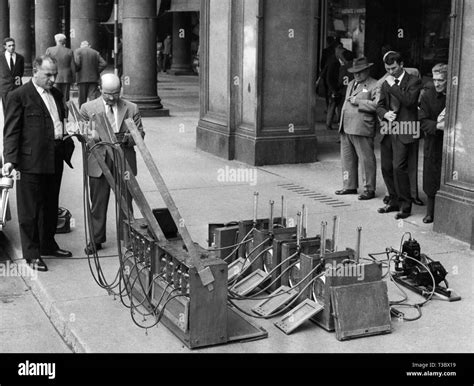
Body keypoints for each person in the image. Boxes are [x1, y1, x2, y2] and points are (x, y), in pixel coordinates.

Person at [2, 55, 75, 271]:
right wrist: (10, 161)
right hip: (30, 162)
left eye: (55, 74)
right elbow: (11, 132)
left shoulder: (57, 94)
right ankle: (32, 254)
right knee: (30, 210)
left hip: (54, 158)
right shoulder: (19, 96)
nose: (53, 79)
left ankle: (48, 245)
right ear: (35, 71)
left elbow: (60, 122)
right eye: (48, 75)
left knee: (50, 205)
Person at [80, 73, 145, 255]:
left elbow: (140, 135)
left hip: (123, 157)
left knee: (126, 200)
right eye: (107, 93)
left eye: (115, 93)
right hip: (99, 159)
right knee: (98, 202)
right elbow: (83, 136)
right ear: (100, 89)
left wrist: (126, 138)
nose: (111, 98)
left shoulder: (131, 108)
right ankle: (96, 239)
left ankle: (128, 238)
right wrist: (91, 137)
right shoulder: (87, 108)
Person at [376, 51, 422, 220]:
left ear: (401, 64)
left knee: (399, 167)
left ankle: (405, 204)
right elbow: (379, 105)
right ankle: (393, 199)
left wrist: (393, 86)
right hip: (389, 129)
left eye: (393, 68)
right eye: (387, 68)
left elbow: (409, 101)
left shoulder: (413, 80)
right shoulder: (386, 82)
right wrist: (384, 114)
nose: (390, 72)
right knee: (386, 167)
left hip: (405, 128)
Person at [335, 57, 378, 201]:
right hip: (346, 126)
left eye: (360, 72)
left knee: (366, 160)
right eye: (354, 72)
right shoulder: (351, 83)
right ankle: (349, 185)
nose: (357, 75)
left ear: (367, 70)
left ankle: (369, 189)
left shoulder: (375, 85)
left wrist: (359, 101)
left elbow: (377, 105)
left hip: (361, 127)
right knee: (347, 159)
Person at [419, 63, 448, 224]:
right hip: (433, 141)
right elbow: (422, 120)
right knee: (431, 176)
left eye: (441, 80)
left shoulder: (454, 95)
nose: (437, 83)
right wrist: (437, 126)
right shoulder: (427, 96)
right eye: (435, 79)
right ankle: (430, 211)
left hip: (451, 144)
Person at [74, 41, 107, 107]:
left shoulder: (77, 51)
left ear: (81, 45)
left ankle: (83, 114)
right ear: (89, 46)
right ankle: (93, 114)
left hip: (81, 79)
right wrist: (96, 71)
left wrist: (75, 71)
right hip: (93, 79)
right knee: (93, 98)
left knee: (82, 99)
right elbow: (104, 63)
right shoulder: (95, 52)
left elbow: (77, 64)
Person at [45, 33, 75, 101]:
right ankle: (64, 111)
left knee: (54, 97)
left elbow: (46, 64)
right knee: (65, 98)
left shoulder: (49, 50)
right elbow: (73, 66)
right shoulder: (69, 51)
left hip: (53, 77)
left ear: (56, 40)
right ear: (64, 41)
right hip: (66, 77)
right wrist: (73, 80)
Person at [0, 38, 24, 109]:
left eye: (13, 45)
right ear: (5, 47)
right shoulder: (0, 58)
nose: (12, 47)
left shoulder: (20, 58)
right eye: (9, 46)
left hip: (17, 87)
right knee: (6, 108)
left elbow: (21, 72)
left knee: (18, 107)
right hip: (5, 88)